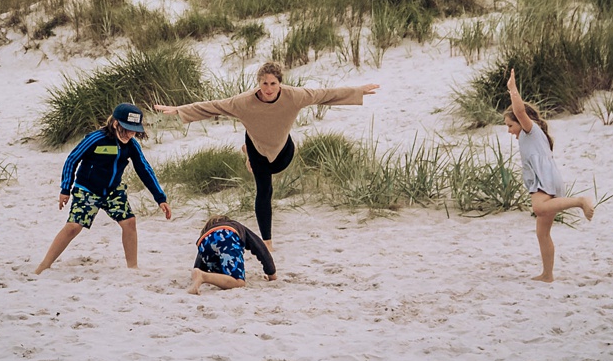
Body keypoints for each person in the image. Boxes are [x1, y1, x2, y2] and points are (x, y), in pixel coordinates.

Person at [156, 62, 379, 250]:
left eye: (273, 83)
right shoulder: (243, 101)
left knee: (278, 166)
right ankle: (268, 242)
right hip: (257, 150)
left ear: (280, 83)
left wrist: (358, 90)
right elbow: (215, 106)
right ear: (258, 83)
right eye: (264, 83)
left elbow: (325, 94)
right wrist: (180, 109)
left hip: (283, 150)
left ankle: (247, 150)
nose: (269, 88)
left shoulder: (295, 96)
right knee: (264, 191)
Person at [34, 103, 172, 274]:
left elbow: (144, 169)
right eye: (127, 128)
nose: (130, 134)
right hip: (87, 189)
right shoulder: (96, 139)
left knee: (129, 222)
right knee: (73, 227)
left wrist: (161, 198)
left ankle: (133, 268)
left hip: (113, 191)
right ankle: (44, 265)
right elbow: (72, 160)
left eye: (134, 130)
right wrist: (65, 189)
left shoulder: (132, 145)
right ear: (115, 123)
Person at [504, 68, 594, 283]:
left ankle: (580, 201)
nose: (509, 131)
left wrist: (513, 90)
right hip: (551, 178)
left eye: (510, 125)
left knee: (538, 208)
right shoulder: (535, 135)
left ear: (520, 121)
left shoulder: (530, 130)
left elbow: (520, 111)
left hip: (544, 179)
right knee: (542, 233)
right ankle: (547, 275)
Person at [189, 215, 277, 294]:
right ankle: (204, 277)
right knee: (238, 282)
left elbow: (200, 259)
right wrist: (271, 273)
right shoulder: (235, 226)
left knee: (219, 272)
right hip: (228, 235)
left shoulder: (208, 232)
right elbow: (260, 248)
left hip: (203, 241)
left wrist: (197, 269)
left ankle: (205, 276)